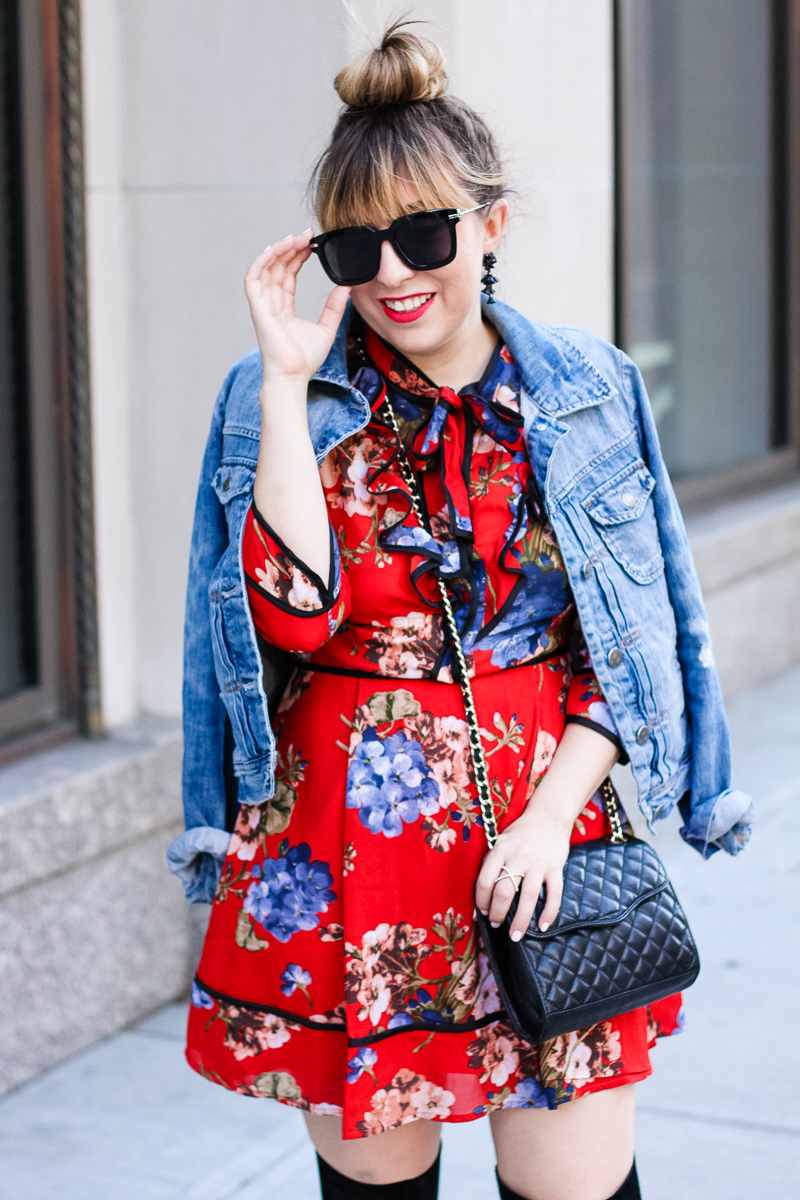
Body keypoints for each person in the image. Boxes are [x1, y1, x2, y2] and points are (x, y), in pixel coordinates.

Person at [168, 22, 753, 1200]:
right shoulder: (274, 397)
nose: (391, 272)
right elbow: (287, 623)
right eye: (354, 245)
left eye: (423, 233)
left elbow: (625, 648)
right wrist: (285, 388)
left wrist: (550, 818)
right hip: (347, 862)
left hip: (546, 847)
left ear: (488, 227)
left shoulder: (582, 391)